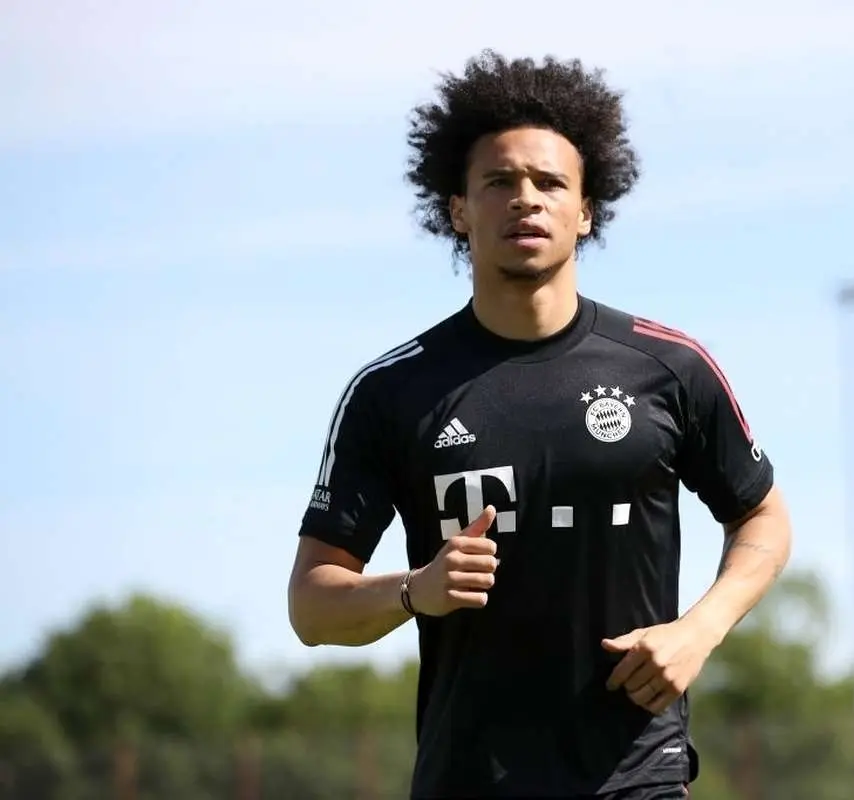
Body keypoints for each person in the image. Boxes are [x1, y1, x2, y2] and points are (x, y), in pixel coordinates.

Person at [287, 50, 793, 800]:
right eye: (499, 182)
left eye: (550, 183)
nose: (526, 200)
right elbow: (311, 605)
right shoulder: (391, 393)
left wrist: (698, 631)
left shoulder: (668, 368)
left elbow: (763, 517)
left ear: (586, 211)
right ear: (458, 210)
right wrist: (414, 590)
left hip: (636, 775)